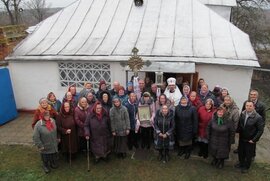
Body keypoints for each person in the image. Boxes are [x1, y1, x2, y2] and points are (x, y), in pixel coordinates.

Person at [235, 101, 264, 173]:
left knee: (248, 154)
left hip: (250, 140)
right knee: (241, 152)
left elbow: (260, 130)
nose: (248, 107)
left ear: (253, 107)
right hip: (242, 138)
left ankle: (246, 167)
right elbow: (240, 124)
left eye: (250, 106)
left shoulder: (258, 117)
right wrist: (237, 132)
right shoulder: (242, 114)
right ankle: (241, 163)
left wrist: (254, 140)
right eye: (247, 105)